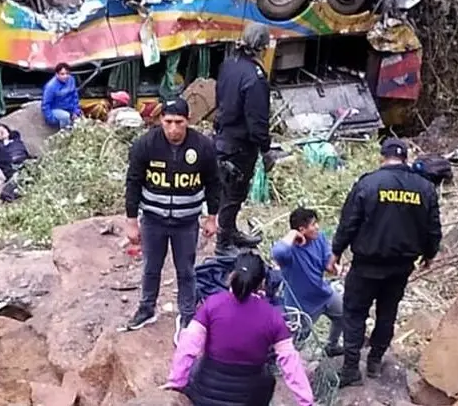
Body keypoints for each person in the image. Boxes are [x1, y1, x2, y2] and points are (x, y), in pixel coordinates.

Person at [329, 138, 442, 387]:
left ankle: (350, 369)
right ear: (405, 158)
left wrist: (336, 251)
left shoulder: (368, 184)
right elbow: (432, 227)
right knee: (387, 313)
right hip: (400, 267)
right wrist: (430, 254)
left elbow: (349, 223)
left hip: (367, 265)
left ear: (382, 157)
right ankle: (375, 361)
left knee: (355, 313)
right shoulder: (424, 188)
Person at [123, 97, 221, 343]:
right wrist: (131, 220)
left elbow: (213, 183)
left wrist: (212, 217)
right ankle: (146, 309)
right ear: (160, 120)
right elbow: (133, 182)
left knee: (186, 270)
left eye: (179, 122)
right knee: (150, 268)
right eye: (168, 122)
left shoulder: (203, 146)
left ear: (188, 121)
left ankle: (187, 314)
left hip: (187, 222)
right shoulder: (145, 145)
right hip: (153, 220)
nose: (173, 129)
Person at [161, 252, 315, 406]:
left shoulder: (212, 304)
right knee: (268, 378)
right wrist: (306, 401)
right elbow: (291, 364)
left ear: (232, 275)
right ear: (262, 283)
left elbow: (188, 345)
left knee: (197, 365)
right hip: (248, 398)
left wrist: (176, 382)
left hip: (204, 395)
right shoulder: (273, 317)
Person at [213, 22, 277, 256]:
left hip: (223, 137)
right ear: (262, 48)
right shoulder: (255, 78)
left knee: (228, 192)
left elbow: (219, 98)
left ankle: (230, 232)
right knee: (234, 194)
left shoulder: (229, 66)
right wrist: (266, 149)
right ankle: (224, 243)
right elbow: (257, 119)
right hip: (240, 145)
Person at [271, 207, 344, 358]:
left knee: (344, 315)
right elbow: (277, 252)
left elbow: (326, 258)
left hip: (323, 294)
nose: (317, 227)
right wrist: (292, 234)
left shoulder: (319, 238)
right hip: (301, 306)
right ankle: (283, 366)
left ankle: (332, 345)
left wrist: (333, 266)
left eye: (316, 223)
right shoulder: (289, 252)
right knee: (297, 341)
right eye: (313, 224)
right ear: (301, 229)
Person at [0, 123, 30, 199]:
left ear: (8, 131)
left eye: (3, 129)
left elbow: (26, 154)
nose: (2, 131)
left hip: (23, 165)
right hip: (9, 169)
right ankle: (8, 191)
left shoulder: (17, 142)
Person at [41, 62, 81, 130]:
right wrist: (50, 118)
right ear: (57, 74)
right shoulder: (50, 86)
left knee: (80, 120)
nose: (65, 76)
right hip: (55, 109)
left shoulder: (71, 80)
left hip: (69, 107)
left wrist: (76, 111)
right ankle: (65, 133)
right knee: (65, 116)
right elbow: (45, 104)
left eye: (67, 73)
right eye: (62, 74)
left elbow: (74, 96)